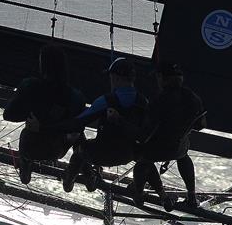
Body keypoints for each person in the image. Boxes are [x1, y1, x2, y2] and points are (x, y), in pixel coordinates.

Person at [40, 57, 150, 193]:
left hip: (101, 154)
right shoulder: (143, 101)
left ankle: (70, 178)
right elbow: (144, 134)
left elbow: (77, 122)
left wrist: (45, 127)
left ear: (115, 78)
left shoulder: (107, 100)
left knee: (81, 149)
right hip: (127, 155)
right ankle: (94, 178)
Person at [3, 45, 85, 184]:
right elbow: (76, 127)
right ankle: (76, 171)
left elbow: (8, 115)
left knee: (28, 134)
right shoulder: (75, 96)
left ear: (42, 65)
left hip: (29, 145)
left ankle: (26, 162)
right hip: (55, 150)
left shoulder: (29, 85)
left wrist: (29, 114)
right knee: (79, 135)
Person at [128, 62, 206, 209]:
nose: (157, 80)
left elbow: (145, 133)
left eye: (158, 77)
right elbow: (201, 124)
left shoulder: (159, 100)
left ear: (164, 79)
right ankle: (191, 196)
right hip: (179, 148)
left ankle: (139, 194)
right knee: (184, 156)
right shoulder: (192, 97)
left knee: (142, 160)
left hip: (157, 149)